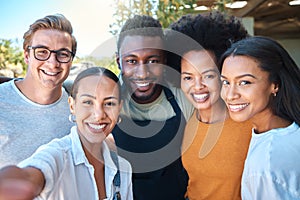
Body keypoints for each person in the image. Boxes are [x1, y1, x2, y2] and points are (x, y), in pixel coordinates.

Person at [0, 67, 133, 200]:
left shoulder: (123, 168)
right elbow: (31, 175)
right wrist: (15, 182)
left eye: (109, 103)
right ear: (72, 106)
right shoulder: (57, 156)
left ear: (119, 108)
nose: (99, 115)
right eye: (88, 102)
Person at [166, 11, 253, 200]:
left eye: (208, 75)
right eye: (188, 77)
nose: (197, 86)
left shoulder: (250, 125)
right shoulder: (189, 121)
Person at [112, 15, 194, 200]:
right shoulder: (107, 102)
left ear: (164, 61)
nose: (142, 74)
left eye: (152, 61)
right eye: (132, 61)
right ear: (119, 61)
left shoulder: (184, 99)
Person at [220, 36, 300, 199]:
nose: (230, 95)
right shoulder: (289, 130)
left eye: (244, 82)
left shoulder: (266, 162)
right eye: (226, 82)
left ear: (274, 85)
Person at [0, 14, 77, 168]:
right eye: (42, 51)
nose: (52, 63)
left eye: (63, 54)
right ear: (27, 55)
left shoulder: (78, 108)